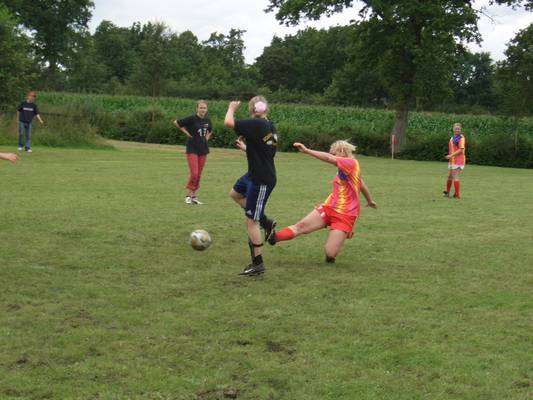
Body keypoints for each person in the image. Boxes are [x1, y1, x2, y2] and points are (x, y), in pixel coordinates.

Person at [268, 140, 377, 264]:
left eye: (334, 153)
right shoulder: (346, 169)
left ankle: (342, 236)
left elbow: (328, 158)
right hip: (329, 207)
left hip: (345, 215)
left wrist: (307, 151)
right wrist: (370, 200)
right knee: (301, 226)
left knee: (330, 253)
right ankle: (274, 237)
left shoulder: (350, 163)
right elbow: (361, 184)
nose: (332, 156)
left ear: (342, 152)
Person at [225, 96, 278, 276]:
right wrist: (246, 148)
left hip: (261, 179)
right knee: (235, 194)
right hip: (253, 174)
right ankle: (266, 222)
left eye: (259, 106)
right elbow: (267, 152)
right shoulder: (269, 126)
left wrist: (231, 108)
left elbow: (228, 123)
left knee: (250, 221)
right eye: (256, 106)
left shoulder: (257, 125)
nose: (257, 108)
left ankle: (258, 263)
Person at [174, 100, 212, 205]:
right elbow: (177, 123)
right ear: (197, 108)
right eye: (200, 107)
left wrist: (206, 139)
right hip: (192, 149)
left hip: (203, 149)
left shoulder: (208, 120)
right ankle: (188, 196)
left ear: (206, 109)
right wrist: (186, 133)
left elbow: (210, 130)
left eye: (204, 108)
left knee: (199, 174)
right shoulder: (191, 119)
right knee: (194, 173)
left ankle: (194, 196)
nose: (202, 109)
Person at [443, 122, 466, 199]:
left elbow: (461, 150)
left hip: (458, 160)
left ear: (460, 130)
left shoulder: (461, 138)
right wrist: (450, 156)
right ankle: (447, 192)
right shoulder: (453, 137)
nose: (457, 130)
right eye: (456, 128)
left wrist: (450, 155)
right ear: (453, 129)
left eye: (458, 129)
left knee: (455, 176)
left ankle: (457, 194)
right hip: (452, 160)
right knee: (449, 176)